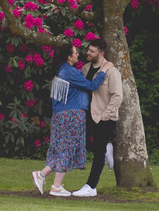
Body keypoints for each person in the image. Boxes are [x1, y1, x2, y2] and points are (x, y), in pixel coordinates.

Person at [32, 42, 105, 197]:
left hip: (59, 115)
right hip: (72, 114)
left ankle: (42, 175)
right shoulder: (71, 72)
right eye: (75, 52)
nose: (78, 54)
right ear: (69, 56)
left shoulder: (60, 71)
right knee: (67, 148)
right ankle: (56, 186)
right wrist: (103, 73)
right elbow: (91, 86)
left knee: (61, 148)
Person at [72, 37, 123, 197]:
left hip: (104, 118)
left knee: (98, 152)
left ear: (101, 53)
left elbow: (117, 96)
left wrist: (104, 115)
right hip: (88, 115)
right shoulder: (86, 69)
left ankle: (91, 186)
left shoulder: (111, 71)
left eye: (92, 51)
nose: (88, 53)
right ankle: (108, 149)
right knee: (81, 142)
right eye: (88, 50)